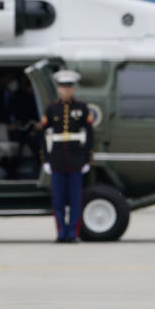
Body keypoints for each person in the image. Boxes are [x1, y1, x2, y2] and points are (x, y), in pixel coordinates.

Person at [40, 70, 94, 243]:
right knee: (58, 201)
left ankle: (72, 233)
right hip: (57, 160)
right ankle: (61, 232)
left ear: (74, 89)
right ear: (58, 89)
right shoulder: (51, 108)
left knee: (75, 201)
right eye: (63, 87)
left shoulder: (82, 108)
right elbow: (45, 136)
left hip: (75, 160)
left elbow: (89, 135)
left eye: (69, 87)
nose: (66, 90)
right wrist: (46, 160)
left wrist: (87, 159)